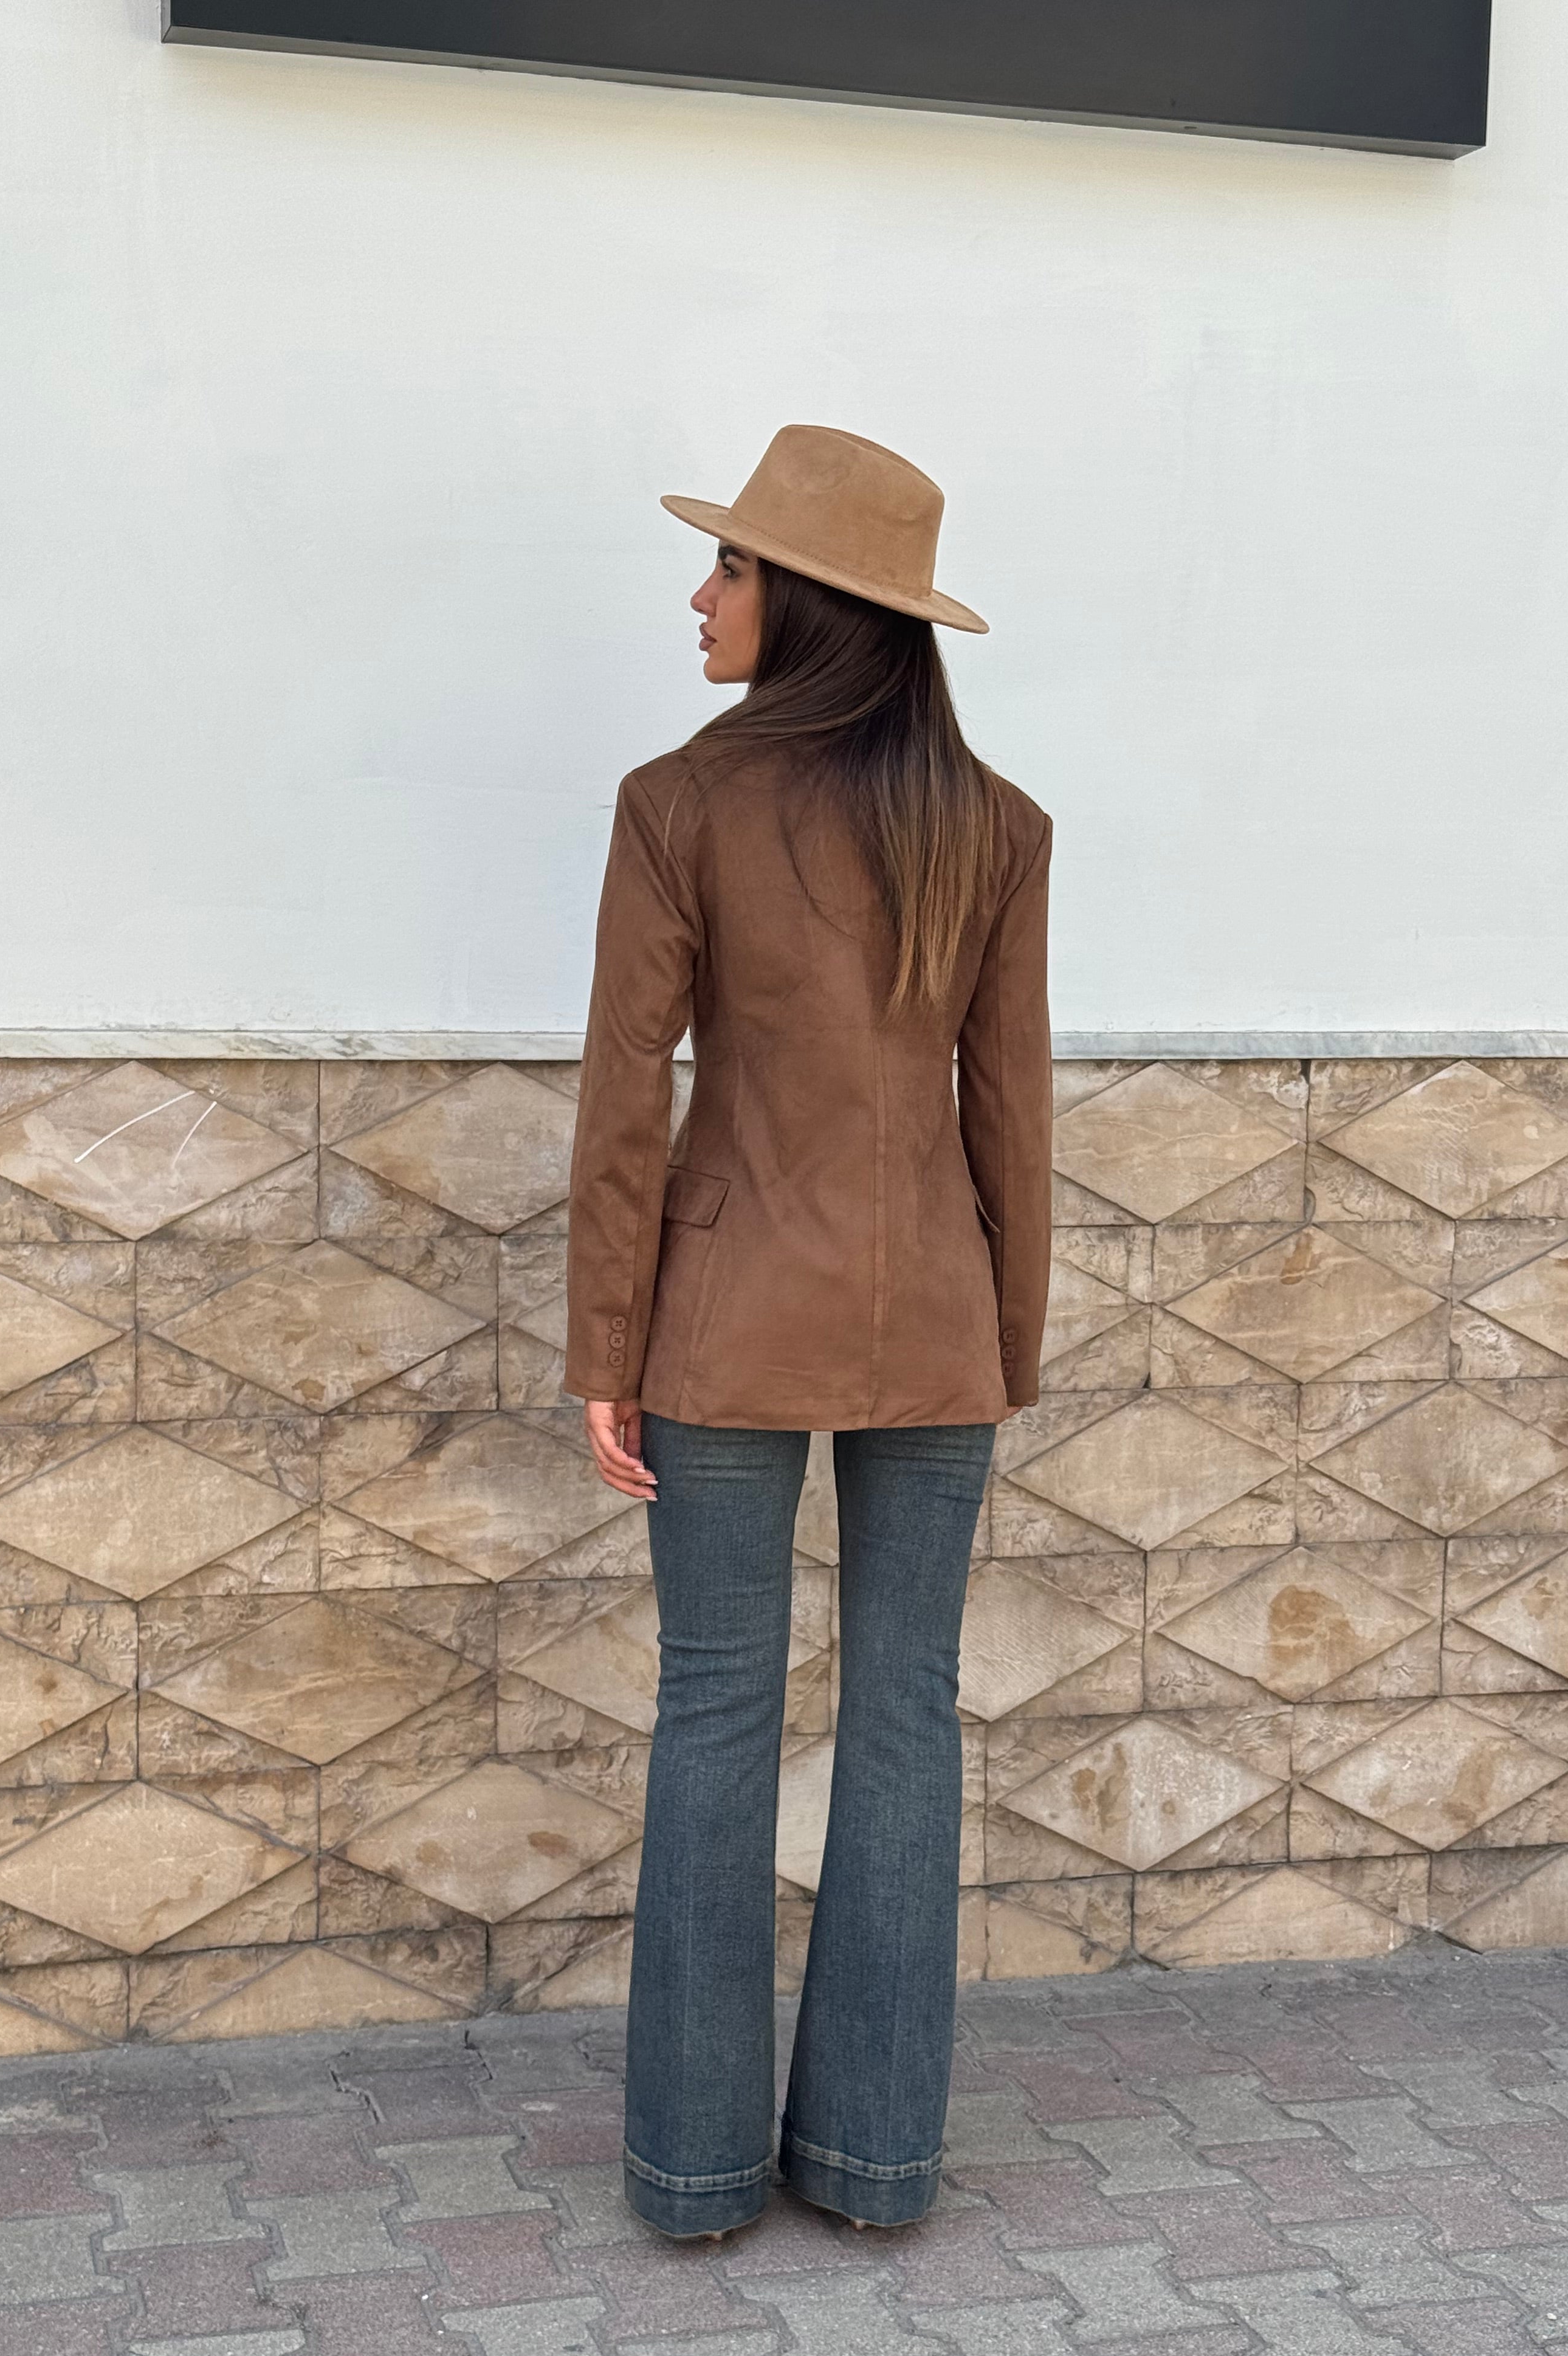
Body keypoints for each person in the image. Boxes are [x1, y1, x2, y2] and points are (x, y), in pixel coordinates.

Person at [564, 424, 1052, 2241]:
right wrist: (1005, 1343)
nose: (701, 594)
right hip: (936, 1322)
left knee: (715, 1707)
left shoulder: (677, 804)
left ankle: (697, 2175)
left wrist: (605, 1348)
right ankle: (873, 2159)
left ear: (812, 602)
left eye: (732, 565)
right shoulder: (995, 825)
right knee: (907, 1710)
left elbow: (628, 1099)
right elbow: (1014, 1115)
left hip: (725, 1320)